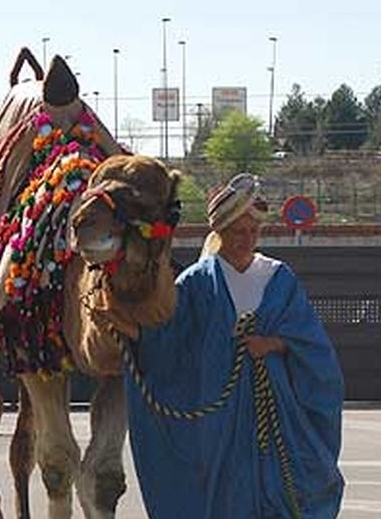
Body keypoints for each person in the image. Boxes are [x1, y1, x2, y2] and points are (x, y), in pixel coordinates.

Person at [125, 173, 344, 519]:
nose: (247, 239)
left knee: (288, 485)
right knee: (224, 489)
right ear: (221, 232)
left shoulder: (279, 277)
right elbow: (171, 344)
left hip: (275, 408)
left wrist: (273, 343)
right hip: (218, 413)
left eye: (253, 231)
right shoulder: (196, 283)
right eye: (239, 231)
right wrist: (134, 336)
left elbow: (312, 344)